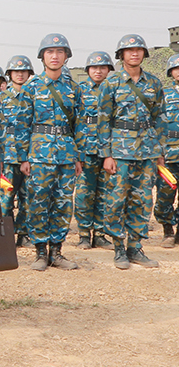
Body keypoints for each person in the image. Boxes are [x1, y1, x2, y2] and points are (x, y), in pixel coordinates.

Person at [16, 35, 83, 271]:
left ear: (66, 57)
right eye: (50, 52)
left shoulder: (74, 89)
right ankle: (40, 252)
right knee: (38, 202)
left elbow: (80, 126)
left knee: (63, 203)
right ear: (42, 57)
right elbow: (22, 125)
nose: (55, 56)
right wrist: (23, 158)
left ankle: (57, 251)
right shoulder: (31, 87)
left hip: (66, 155)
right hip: (39, 156)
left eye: (59, 52)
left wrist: (79, 157)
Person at [97, 34, 164, 269]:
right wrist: (107, 154)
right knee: (116, 200)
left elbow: (159, 118)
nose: (134, 53)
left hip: (147, 151)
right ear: (121, 55)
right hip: (120, 152)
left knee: (143, 200)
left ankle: (135, 247)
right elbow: (103, 120)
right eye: (129, 50)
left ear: (144, 54)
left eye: (138, 50)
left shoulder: (154, 83)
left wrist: (159, 151)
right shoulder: (111, 83)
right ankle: (118, 248)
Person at [74, 51, 115, 250]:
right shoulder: (79, 90)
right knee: (84, 193)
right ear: (88, 70)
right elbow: (73, 120)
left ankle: (99, 234)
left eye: (102, 67)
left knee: (104, 193)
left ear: (108, 70)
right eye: (94, 68)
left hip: (108, 151)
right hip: (86, 150)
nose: (98, 71)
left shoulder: (114, 89)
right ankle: (83, 234)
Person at [1, 55, 34, 247]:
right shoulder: (1, 98)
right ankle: (5, 237)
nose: (20, 74)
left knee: (27, 198)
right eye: (16, 71)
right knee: (5, 199)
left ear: (29, 74)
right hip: (7, 156)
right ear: (10, 74)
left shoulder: (33, 97)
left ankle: (23, 234)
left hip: (29, 156)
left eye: (23, 71)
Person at [155, 53, 179, 249]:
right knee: (165, 195)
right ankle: (167, 230)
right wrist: (158, 151)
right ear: (170, 72)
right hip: (169, 153)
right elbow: (156, 123)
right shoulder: (163, 94)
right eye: (176, 68)